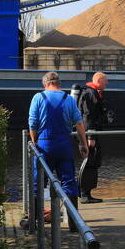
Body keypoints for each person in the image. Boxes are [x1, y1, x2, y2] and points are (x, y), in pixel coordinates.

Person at [29, 71, 89, 228]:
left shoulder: (38, 98)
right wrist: (84, 144)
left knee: (38, 183)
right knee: (69, 182)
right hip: (64, 145)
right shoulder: (68, 99)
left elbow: (33, 123)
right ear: (59, 83)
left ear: (45, 84)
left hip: (44, 146)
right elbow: (79, 123)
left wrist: (35, 142)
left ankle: (35, 223)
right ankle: (74, 224)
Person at [78, 71, 114, 204]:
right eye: (106, 80)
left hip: (91, 133)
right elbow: (87, 116)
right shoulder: (90, 94)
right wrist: (90, 136)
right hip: (89, 134)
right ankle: (84, 194)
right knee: (89, 162)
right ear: (99, 81)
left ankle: (87, 193)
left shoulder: (94, 93)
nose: (107, 83)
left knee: (93, 162)